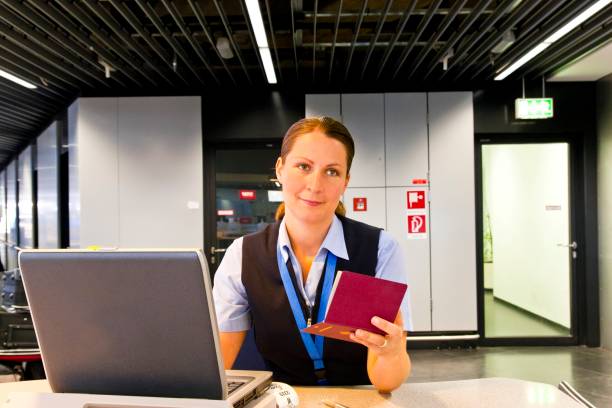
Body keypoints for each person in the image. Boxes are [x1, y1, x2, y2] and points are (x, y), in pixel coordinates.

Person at [213, 117, 412, 392]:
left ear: (345, 182)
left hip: (357, 400)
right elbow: (219, 364)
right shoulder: (243, 255)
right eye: (303, 166)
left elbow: (386, 382)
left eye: (332, 172)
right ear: (280, 169)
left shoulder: (379, 249)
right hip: (284, 399)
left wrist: (391, 353)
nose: (315, 185)